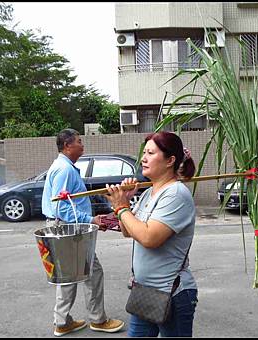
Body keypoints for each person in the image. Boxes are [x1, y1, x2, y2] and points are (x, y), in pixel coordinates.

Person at [104, 131, 198, 337]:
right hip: (145, 292)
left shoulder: (176, 194)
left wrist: (121, 208)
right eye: (144, 152)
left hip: (172, 294)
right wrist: (126, 203)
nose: (143, 158)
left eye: (151, 153)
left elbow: (149, 238)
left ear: (170, 160)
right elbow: (128, 231)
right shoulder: (149, 192)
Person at [42, 128, 124, 337]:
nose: (82, 144)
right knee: (92, 273)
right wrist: (90, 220)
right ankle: (97, 319)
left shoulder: (63, 166)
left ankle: (62, 321)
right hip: (69, 228)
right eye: (79, 141)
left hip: (65, 228)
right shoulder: (65, 170)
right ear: (68, 145)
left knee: (69, 275)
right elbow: (61, 206)